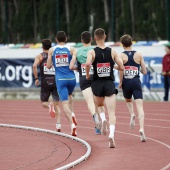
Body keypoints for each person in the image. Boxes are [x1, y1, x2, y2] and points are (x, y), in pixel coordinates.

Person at [86, 28, 124, 148]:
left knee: (100, 106)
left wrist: (87, 74)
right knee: (112, 113)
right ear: (105, 37)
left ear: (95, 38)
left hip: (97, 83)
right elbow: (122, 66)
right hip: (109, 83)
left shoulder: (92, 52)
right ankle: (111, 135)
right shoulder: (112, 51)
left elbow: (87, 64)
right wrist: (113, 67)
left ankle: (102, 119)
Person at [69, 31, 101, 135]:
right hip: (96, 77)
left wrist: (77, 68)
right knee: (98, 102)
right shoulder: (95, 50)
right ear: (91, 39)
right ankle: (98, 125)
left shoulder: (77, 52)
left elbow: (71, 66)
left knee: (90, 102)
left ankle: (95, 117)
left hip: (84, 79)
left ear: (81, 40)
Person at [47, 31, 77, 136]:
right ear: (66, 39)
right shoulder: (71, 49)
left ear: (56, 39)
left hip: (61, 80)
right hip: (72, 78)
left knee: (64, 103)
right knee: (70, 96)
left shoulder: (52, 50)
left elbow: (49, 66)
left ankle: (72, 124)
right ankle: (72, 113)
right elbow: (76, 61)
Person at [118, 34, 147, 142]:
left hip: (127, 83)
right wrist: (136, 68)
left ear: (122, 44)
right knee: (140, 107)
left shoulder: (121, 55)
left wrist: (120, 82)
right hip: (136, 82)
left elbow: (121, 70)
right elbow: (144, 71)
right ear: (131, 43)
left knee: (128, 101)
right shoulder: (139, 54)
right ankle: (142, 129)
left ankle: (132, 114)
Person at [33, 39, 61, 132]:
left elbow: (34, 66)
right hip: (56, 82)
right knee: (57, 104)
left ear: (42, 47)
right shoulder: (55, 55)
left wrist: (36, 78)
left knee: (43, 102)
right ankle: (58, 124)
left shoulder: (40, 56)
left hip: (45, 83)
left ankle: (49, 105)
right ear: (51, 47)